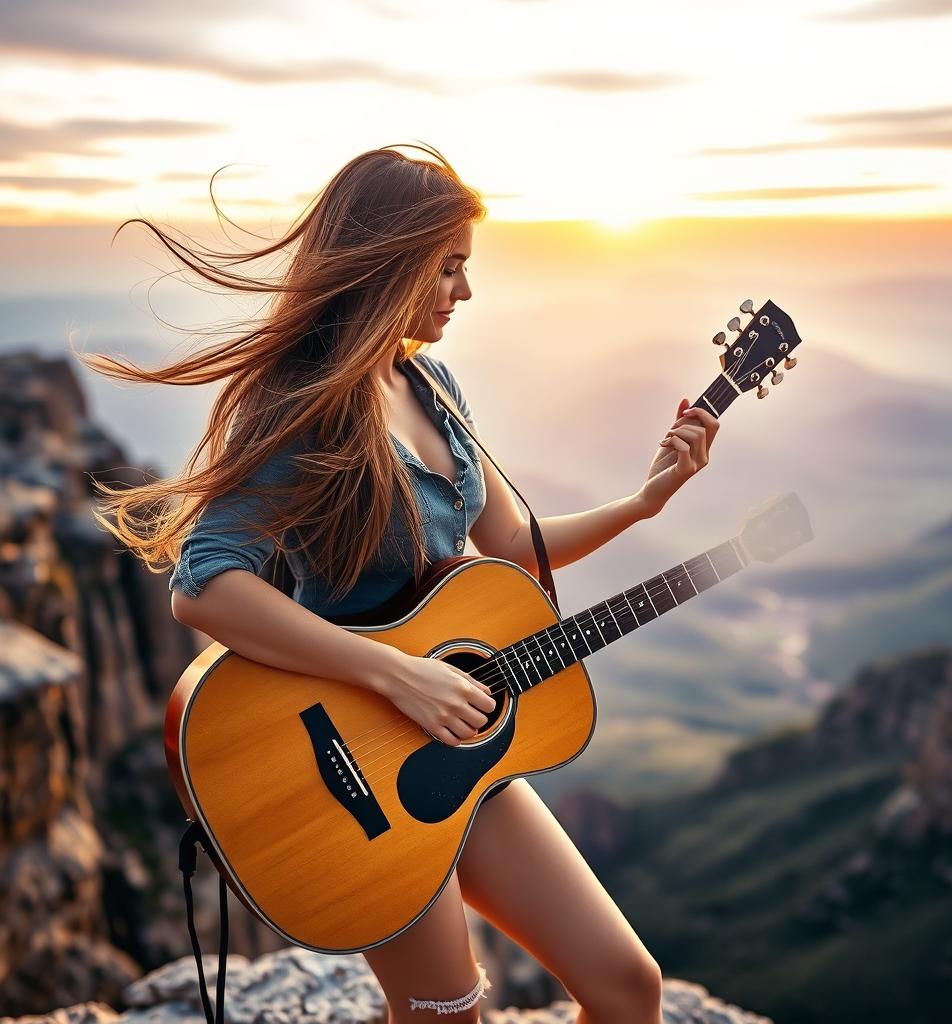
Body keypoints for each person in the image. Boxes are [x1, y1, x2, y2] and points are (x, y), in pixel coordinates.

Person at [82, 142, 719, 1024]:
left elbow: (514, 549)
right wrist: (399, 674)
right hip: (349, 775)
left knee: (626, 986)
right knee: (444, 1016)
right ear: (391, 261)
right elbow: (204, 585)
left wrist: (644, 503)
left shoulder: (433, 385)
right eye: (450, 267)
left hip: (456, 748)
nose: (465, 292)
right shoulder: (299, 400)